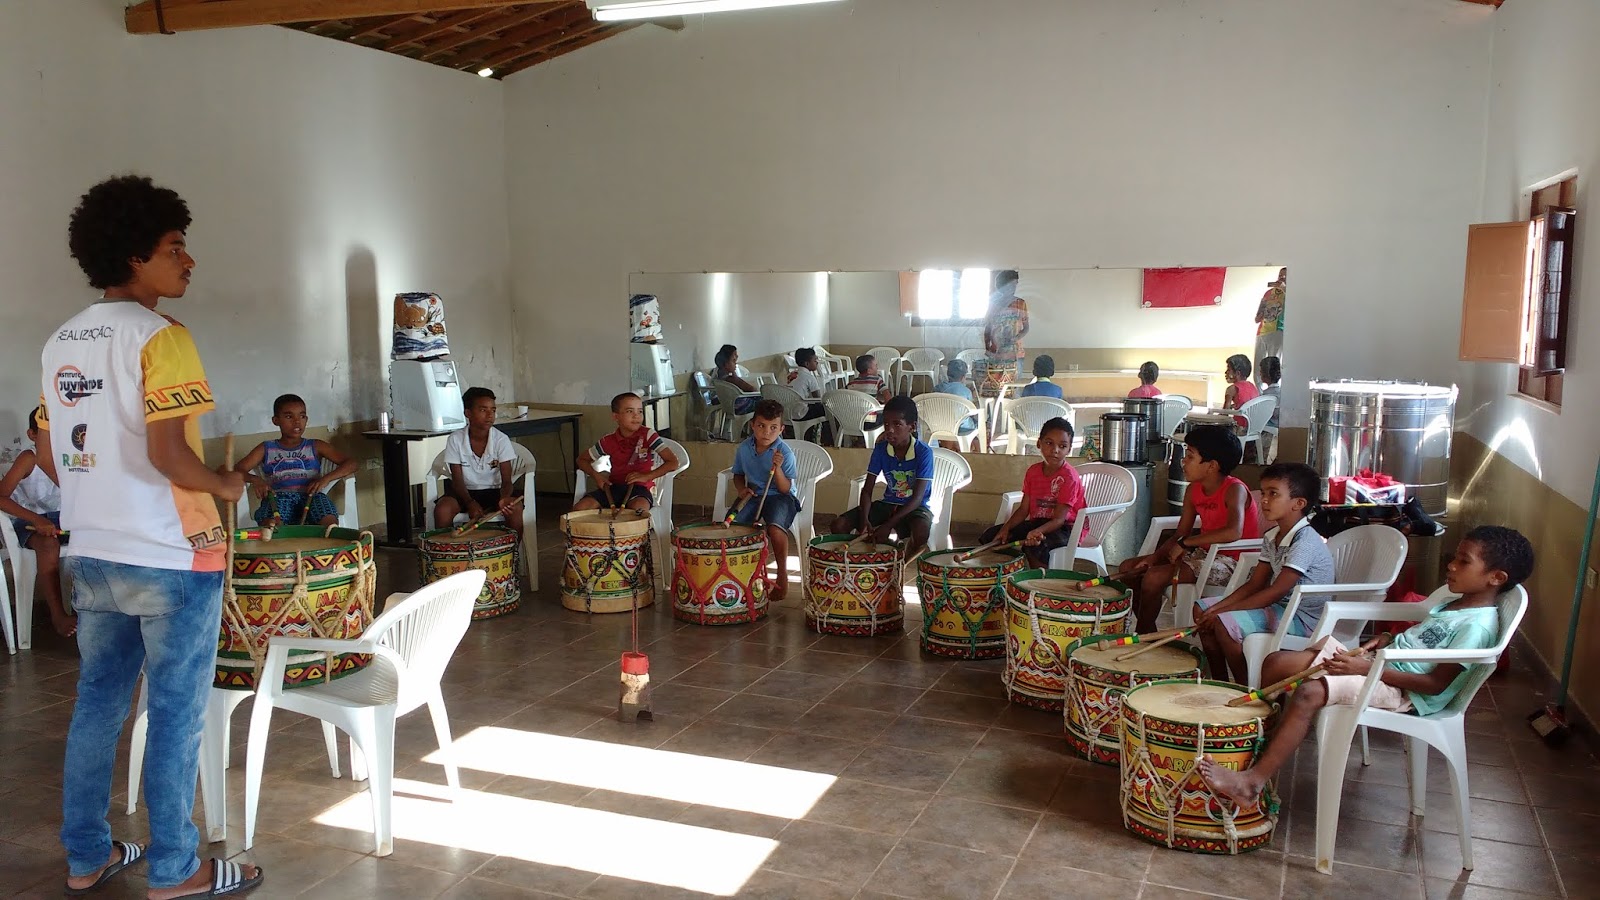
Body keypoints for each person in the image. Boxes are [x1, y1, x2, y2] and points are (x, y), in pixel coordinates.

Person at [41, 175, 259, 897]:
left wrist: (98, 490)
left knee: (98, 705)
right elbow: (168, 456)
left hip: (90, 551)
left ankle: (86, 857)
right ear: (135, 254)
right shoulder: (163, 338)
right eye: (175, 247)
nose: (188, 261)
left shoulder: (60, 342)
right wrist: (224, 486)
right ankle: (175, 868)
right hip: (170, 554)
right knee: (174, 713)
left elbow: (50, 452)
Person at [1199, 526, 1534, 808]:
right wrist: (1387, 639)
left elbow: (1434, 685)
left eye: (1464, 561)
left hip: (1403, 691)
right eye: (1455, 557)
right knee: (1277, 662)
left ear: (1496, 578)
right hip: (1379, 665)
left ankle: (1252, 783)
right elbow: (1421, 644)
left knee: (1309, 692)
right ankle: (1262, 746)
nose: (1451, 565)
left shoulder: (1476, 626)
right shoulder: (1453, 603)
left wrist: (1363, 669)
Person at [1193, 463, 1334, 682]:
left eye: (1273, 493)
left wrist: (1222, 612)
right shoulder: (1272, 536)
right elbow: (1255, 584)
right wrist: (1215, 609)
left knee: (1223, 622)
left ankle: (1245, 686)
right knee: (1201, 609)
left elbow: (1277, 591)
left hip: (1302, 619)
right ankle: (1219, 681)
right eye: (1264, 492)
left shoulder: (1305, 541)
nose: (1264, 500)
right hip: (1280, 608)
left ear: (1298, 503)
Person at [1116, 425, 1261, 633]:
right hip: (1204, 555)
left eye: (1190, 456)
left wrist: (1186, 543)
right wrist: (1154, 558)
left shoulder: (1234, 489)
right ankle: (1149, 630)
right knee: (1129, 569)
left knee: (1154, 578)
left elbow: (1233, 532)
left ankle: (1144, 633)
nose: (1183, 461)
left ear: (1211, 466)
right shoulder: (1193, 490)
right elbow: (1180, 533)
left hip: (1234, 563)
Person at [830, 396, 933, 558]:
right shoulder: (881, 449)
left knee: (921, 533)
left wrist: (888, 525)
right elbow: (867, 490)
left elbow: (917, 498)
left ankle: (901, 565)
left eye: (897, 424)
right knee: (839, 525)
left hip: (915, 508)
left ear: (912, 427)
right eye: (886, 424)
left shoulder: (924, 452)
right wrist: (864, 520)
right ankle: (858, 563)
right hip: (888, 504)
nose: (889, 429)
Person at [0, 407, 72, 637]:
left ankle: (91, 610)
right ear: (32, 435)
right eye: (47, 433)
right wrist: (36, 519)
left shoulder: (70, 458)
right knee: (48, 545)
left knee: (99, 541)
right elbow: (1, 497)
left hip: (62, 520)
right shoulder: (28, 458)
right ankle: (58, 615)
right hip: (27, 520)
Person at [234, 394, 356, 528]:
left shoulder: (316, 446)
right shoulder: (266, 448)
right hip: (279, 497)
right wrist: (255, 479)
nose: (297, 422)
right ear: (276, 420)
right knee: (272, 521)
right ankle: (276, 536)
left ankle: (330, 535)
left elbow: (351, 464)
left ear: (306, 419)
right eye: (289, 417)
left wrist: (326, 479)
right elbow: (237, 470)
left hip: (311, 496)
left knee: (326, 514)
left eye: (302, 416)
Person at [979, 417, 1085, 569]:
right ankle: (1007, 575)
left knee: (1035, 547)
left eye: (1062, 446)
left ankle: (1040, 579)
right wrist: (1006, 528)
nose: (1055, 450)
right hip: (1039, 523)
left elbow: (1059, 520)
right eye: (1049, 443)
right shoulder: (1033, 472)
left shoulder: (1069, 477)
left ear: (1069, 449)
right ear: (1038, 444)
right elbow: (1024, 510)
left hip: (1066, 529)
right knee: (992, 537)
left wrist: (1037, 532)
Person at [730, 400, 800, 600]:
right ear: (752, 425)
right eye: (761, 426)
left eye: (773, 428)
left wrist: (777, 469)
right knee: (733, 528)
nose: (766, 432)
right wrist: (741, 489)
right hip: (753, 494)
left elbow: (785, 488)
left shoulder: (784, 453)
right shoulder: (744, 448)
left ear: (781, 429)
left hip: (781, 496)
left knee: (775, 530)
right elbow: (738, 474)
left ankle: (782, 576)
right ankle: (741, 576)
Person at [433, 387, 524, 541]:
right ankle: (446, 550)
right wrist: (470, 503)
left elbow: (507, 480)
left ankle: (512, 552)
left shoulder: (501, 440)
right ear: (467, 413)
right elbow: (457, 481)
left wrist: (504, 499)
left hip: (495, 492)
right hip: (464, 492)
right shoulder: (455, 439)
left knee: (515, 509)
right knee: (443, 510)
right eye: (483, 410)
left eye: (493, 410)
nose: (490, 415)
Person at [575, 392, 681, 515]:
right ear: (616, 417)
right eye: (630, 411)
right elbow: (581, 460)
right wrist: (596, 475)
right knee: (580, 509)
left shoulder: (648, 435)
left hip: (640, 489)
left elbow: (673, 462)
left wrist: (647, 476)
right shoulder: (607, 441)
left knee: (638, 510)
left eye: (640, 411)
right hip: (613, 488)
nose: (636, 416)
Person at [982, 269, 1030, 386]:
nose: (1014, 288)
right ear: (1002, 285)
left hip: (1015, 353)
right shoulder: (993, 303)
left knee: (1014, 386)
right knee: (995, 386)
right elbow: (988, 328)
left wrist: (1016, 338)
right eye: (1011, 284)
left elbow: (1026, 327)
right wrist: (988, 349)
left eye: (1015, 284)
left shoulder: (1020, 303)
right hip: (996, 353)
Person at [929, 359, 980, 447]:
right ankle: (972, 448)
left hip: (940, 425)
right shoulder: (966, 391)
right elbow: (971, 410)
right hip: (962, 427)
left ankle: (948, 445)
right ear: (963, 377)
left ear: (948, 374)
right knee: (979, 421)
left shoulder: (937, 388)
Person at [1253, 268, 1286, 370]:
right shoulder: (1268, 293)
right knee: (1258, 367)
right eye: (1280, 275)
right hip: (1262, 331)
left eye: (1285, 276)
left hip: (1278, 331)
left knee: (1273, 366)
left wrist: (1284, 289)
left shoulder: (1291, 292)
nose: (1281, 278)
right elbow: (1257, 319)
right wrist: (1261, 312)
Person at [714, 344, 759, 415]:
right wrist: (734, 374)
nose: (736, 363)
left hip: (729, 404)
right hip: (738, 406)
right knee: (765, 403)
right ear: (726, 364)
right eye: (733, 361)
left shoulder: (718, 374)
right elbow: (752, 389)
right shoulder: (731, 379)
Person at [787, 347, 827, 423]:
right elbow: (818, 399)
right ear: (807, 364)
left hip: (787, 412)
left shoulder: (790, 374)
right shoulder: (809, 378)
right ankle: (825, 429)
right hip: (801, 414)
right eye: (815, 360)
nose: (817, 363)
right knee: (826, 408)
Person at [1222, 353, 1259, 429]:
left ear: (1237, 373)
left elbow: (1224, 414)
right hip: (1252, 427)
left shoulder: (1231, 389)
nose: (1226, 372)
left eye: (1228, 370)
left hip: (1238, 427)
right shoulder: (1252, 386)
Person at [1259, 356, 1282, 462]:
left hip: (1270, 426)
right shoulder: (1280, 392)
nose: (1259, 374)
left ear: (1265, 374)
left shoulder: (1266, 395)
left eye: (1260, 371)